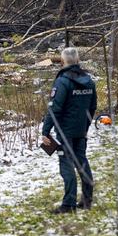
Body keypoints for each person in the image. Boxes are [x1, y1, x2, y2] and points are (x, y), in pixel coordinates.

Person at [41, 47, 97, 214]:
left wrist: (45, 131)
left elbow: (54, 109)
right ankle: (87, 200)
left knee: (66, 165)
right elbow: (93, 107)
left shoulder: (62, 81)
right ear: (78, 61)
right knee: (82, 163)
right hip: (80, 130)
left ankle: (68, 204)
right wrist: (85, 126)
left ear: (63, 61)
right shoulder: (89, 81)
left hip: (65, 131)